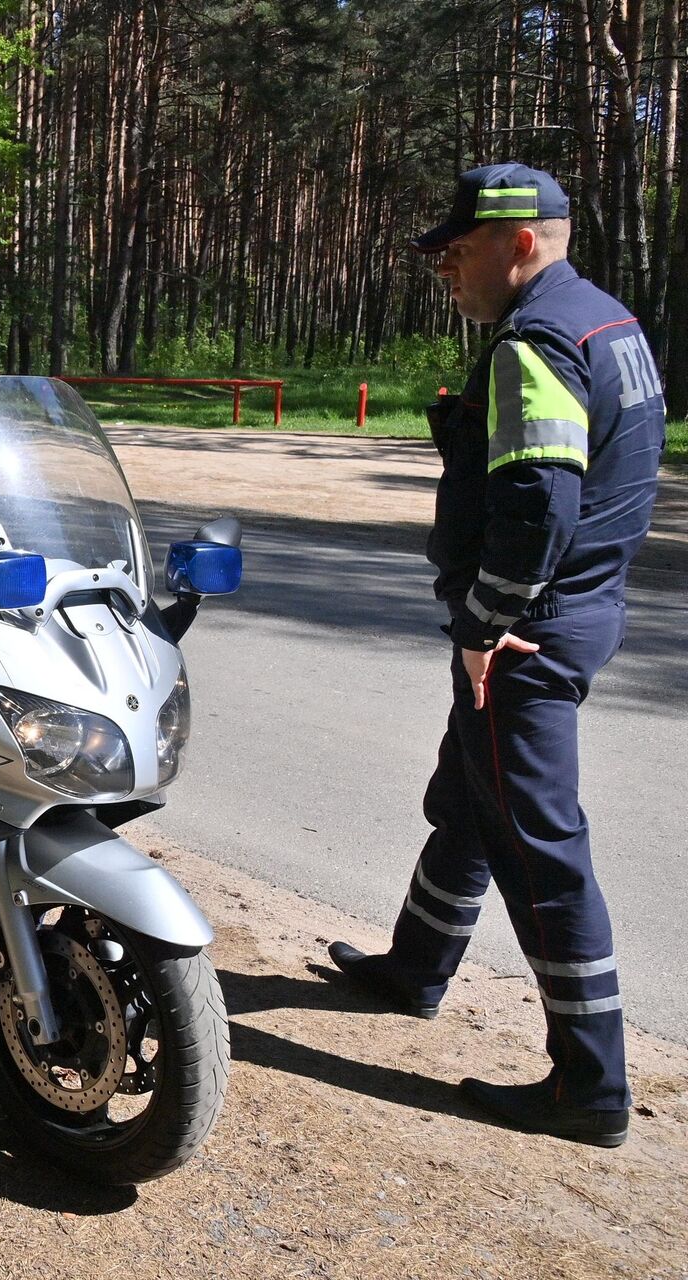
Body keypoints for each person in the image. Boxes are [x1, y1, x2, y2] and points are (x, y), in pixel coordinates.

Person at [327, 164, 663, 1147]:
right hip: (577, 607)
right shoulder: (610, 322)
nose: (445, 272)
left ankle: (589, 1083)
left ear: (519, 243)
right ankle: (416, 964)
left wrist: (488, 623)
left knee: (539, 844)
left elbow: (540, 498)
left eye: (459, 251)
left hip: (527, 629)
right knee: (475, 794)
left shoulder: (537, 342)